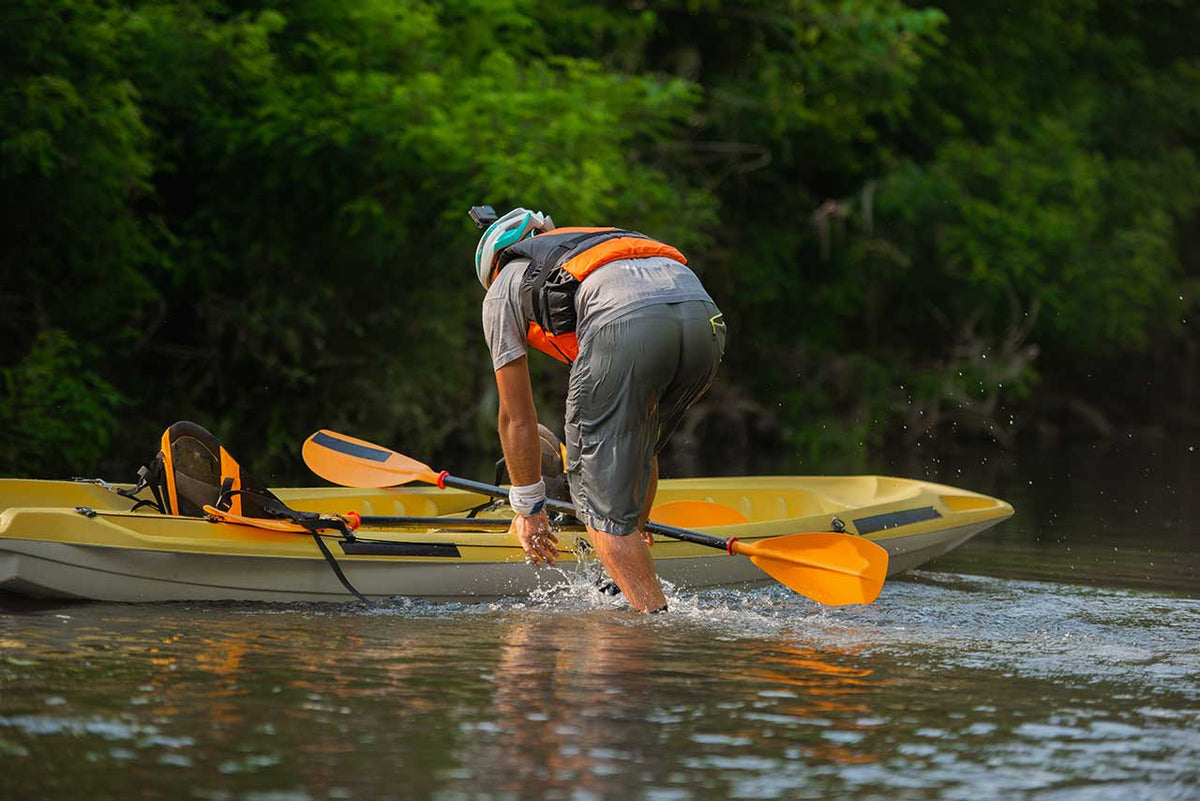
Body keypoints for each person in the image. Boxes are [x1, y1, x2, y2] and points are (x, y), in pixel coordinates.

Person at [474, 206, 726, 612]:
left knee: (597, 504)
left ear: (492, 266)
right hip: (705, 321)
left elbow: (515, 417)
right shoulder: (592, 245)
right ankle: (628, 556)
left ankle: (652, 620)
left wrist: (528, 510)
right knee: (636, 440)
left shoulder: (504, 283)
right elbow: (639, 442)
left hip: (628, 323)